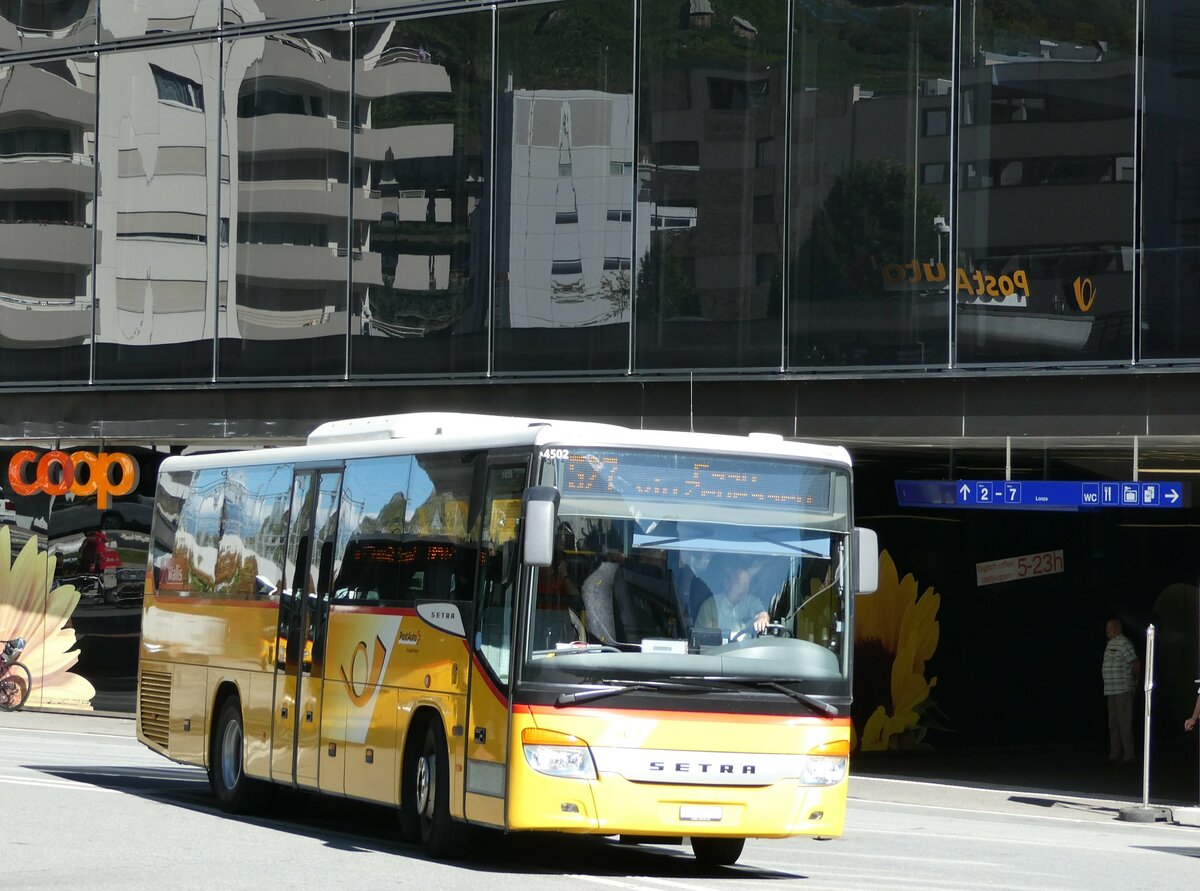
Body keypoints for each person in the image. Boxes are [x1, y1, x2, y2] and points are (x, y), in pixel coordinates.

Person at [696, 560, 771, 639]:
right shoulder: (710, 605)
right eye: (739, 584)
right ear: (726, 583)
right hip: (720, 650)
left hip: (748, 649)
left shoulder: (752, 602)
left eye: (746, 584)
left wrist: (762, 618)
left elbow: (761, 613)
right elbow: (703, 638)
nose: (744, 589)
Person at [1102, 618, 1141, 764]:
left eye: (1110, 627)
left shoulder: (1124, 642)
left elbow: (1135, 663)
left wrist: (1136, 681)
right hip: (1111, 690)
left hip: (1123, 689)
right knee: (1113, 723)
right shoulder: (1110, 643)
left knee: (1124, 722)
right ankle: (1115, 753)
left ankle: (1129, 755)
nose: (1107, 630)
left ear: (1117, 628)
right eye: (1107, 627)